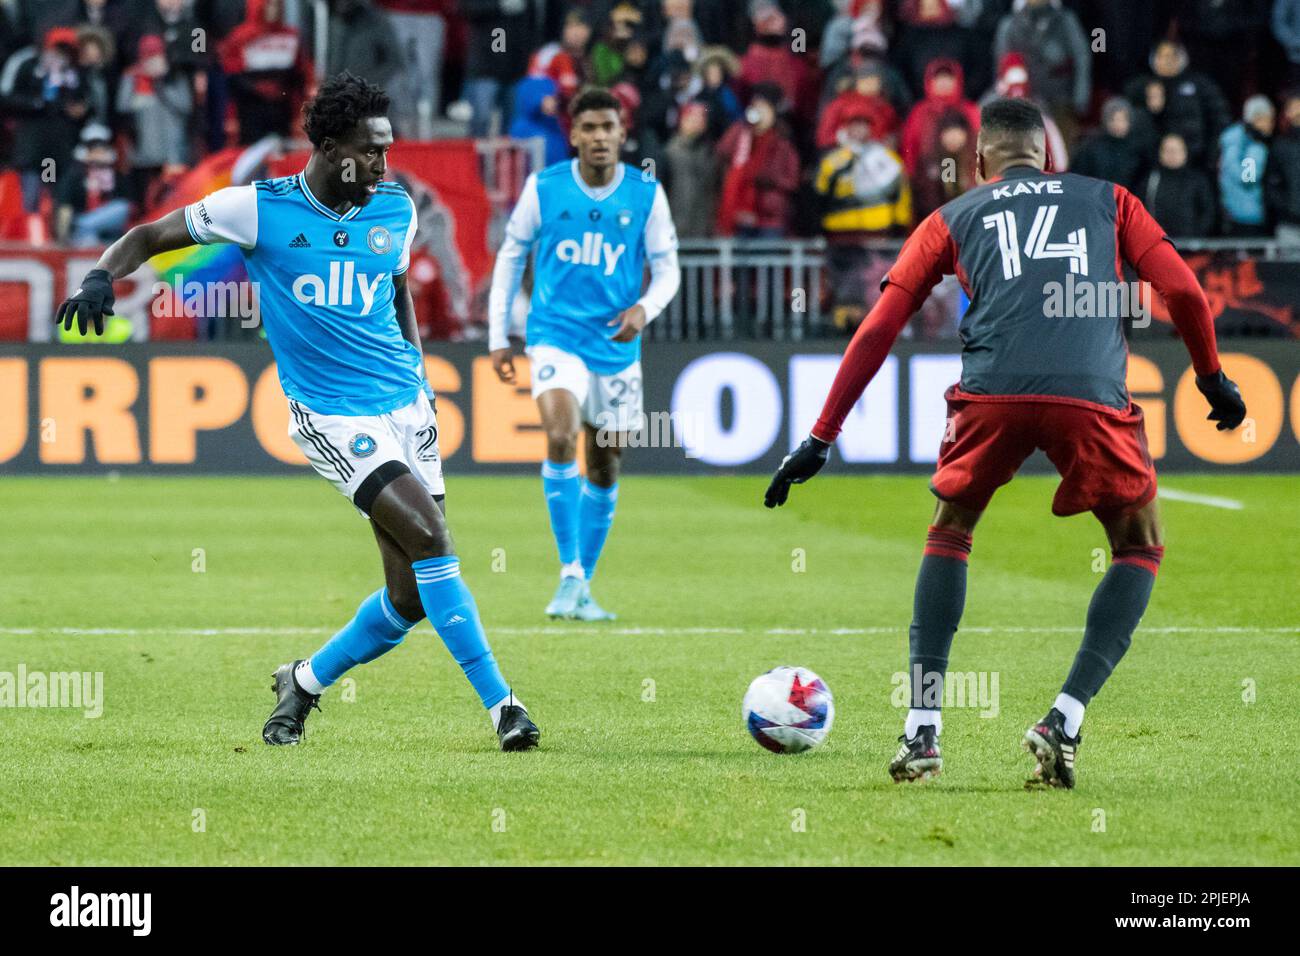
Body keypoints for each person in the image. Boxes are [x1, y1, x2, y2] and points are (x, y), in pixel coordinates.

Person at [764, 98, 1247, 790]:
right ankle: (1064, 720)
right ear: (1048, 156)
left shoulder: (953, 215)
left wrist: (821, 435)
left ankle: (923, 731)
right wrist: (1211, 378)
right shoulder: (1111, 199)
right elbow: (1186, 292)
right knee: (1139, 545)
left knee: (950, 530)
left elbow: (877, 328)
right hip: (1089, 393)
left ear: (982, 161)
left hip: (991, 392)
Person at [55, 73, 541, 753]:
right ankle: (505, 708)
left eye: (386, 151)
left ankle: (303, 681)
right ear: (333, 146)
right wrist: (101, 275)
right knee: (433, 540)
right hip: (333, 415)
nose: (382, 163)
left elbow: (397, 294)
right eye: (371, 151)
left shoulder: (393, 211)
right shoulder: (259, 209)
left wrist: (420, 374)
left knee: (407, 596)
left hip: (407, 405)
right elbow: (150, 233)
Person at [487, 87, 681, 621]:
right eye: (589, 128)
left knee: (605, 462)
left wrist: (644, 309)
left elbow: (668, 269)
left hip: (616, 347)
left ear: (623, 134)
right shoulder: (545, 188)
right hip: (554, 336)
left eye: (608, 128)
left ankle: (582, 585)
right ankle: (568, 570)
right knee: (558, 432)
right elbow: (510, 256)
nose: (599, 137)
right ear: (573, 135)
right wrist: (499, 335)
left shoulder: (645, 194)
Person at [1218, 95, 1275, 237]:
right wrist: (1257, 149)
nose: (1270, 124)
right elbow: (1248, 178)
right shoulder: (1243, 141)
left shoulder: (1239, 139)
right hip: (1244, 214)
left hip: (1244, 212)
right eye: (1268, 119)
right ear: (1256, 118)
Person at [1143, 132, 1217, 239]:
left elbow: (1208, 212)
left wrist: (1195, 237)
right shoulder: (1150, 180)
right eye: (1167, 150)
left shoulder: (1198, 180)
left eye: (1176, 150)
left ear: (1185, 152)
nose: (1172, 154)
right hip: (1158, 245)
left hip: (1191, 248)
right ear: (1160, 153)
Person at [1266, 92, 1300, 245]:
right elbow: (1270, 182)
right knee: (1289, 268)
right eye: (1293, 108)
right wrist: (1286, 208)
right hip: (1289, 223)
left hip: (1288, 220)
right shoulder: (1280, 145)